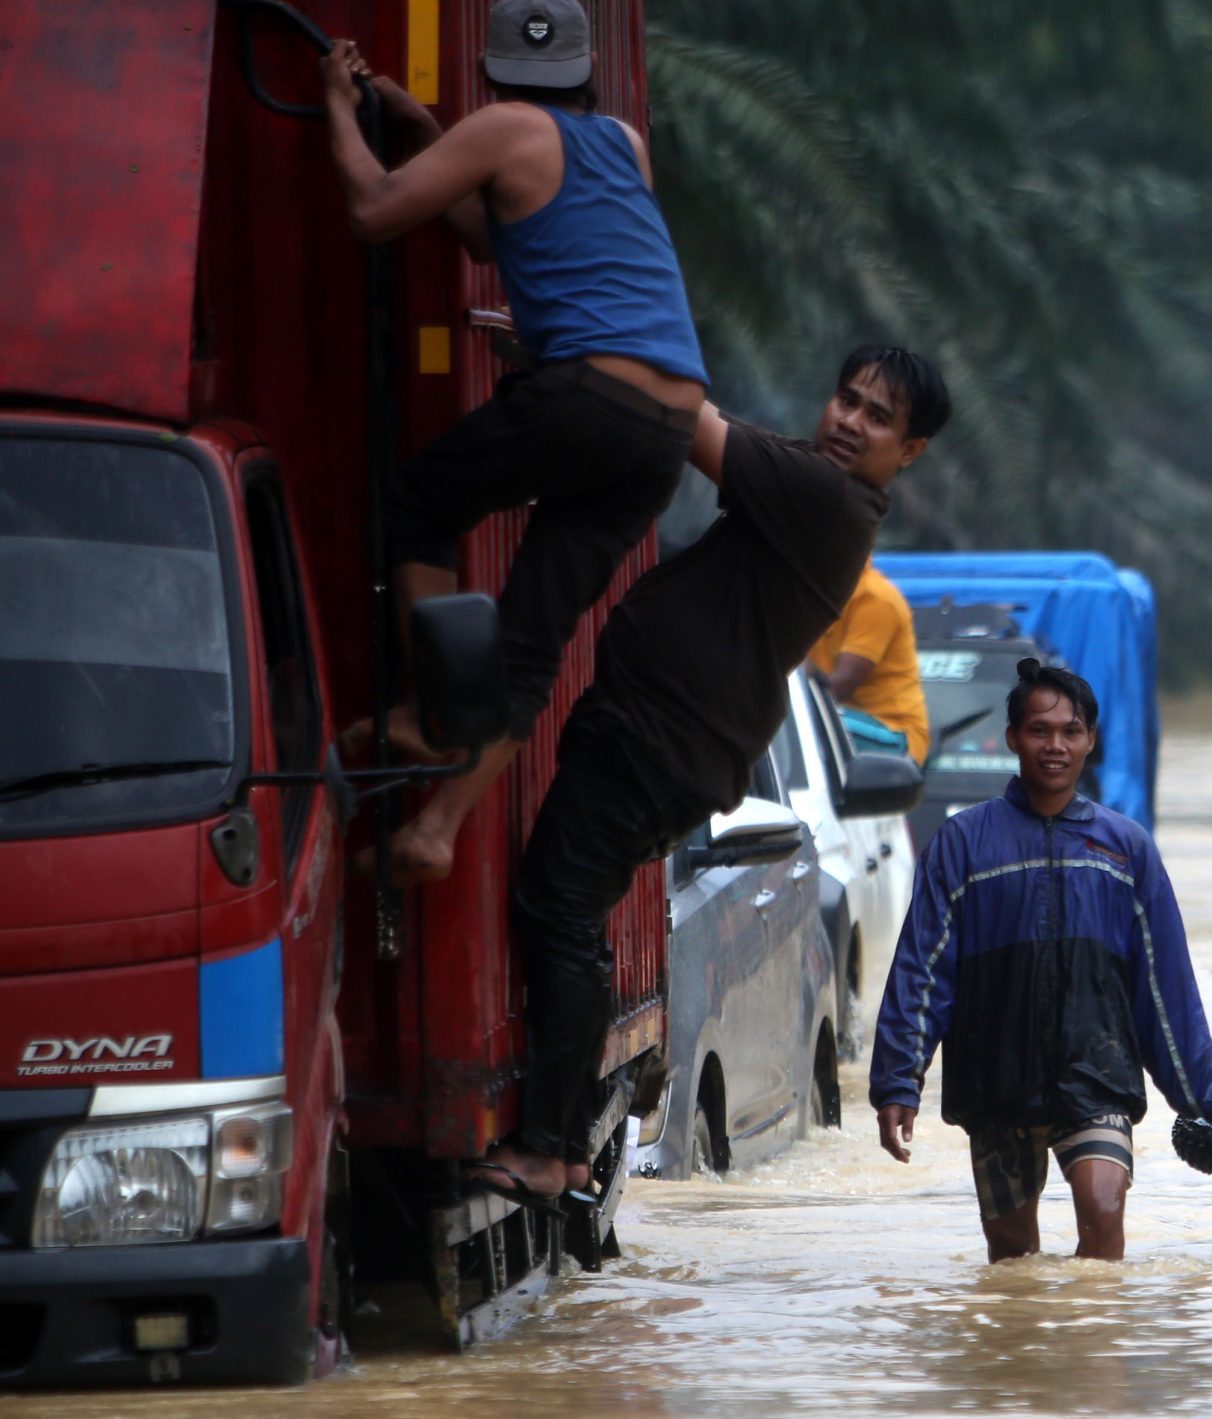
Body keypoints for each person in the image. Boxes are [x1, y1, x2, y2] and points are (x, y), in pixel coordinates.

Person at [464, 347, 948, 1212]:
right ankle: (566, 1145)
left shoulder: (825, 495)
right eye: (847, 399)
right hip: (659, 738)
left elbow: (681, 420)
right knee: (569, 912)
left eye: (878, 417)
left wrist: (613, 337)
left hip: (656, 742)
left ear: (908, 451)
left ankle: (548, 1147)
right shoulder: (813, 489)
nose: (851, 421)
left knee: (556, 907)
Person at [321, 6, 710, 884]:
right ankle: (436, 830)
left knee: (419, 501)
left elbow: (375, 212)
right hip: (668, 422)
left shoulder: (500, 126)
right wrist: (424, 130)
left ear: (494, 75)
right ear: (584, 74)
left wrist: (339, 111)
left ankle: (425, 707)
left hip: (589, 394)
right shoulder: (622, 141)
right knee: (533, 641)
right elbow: (496, 235)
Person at [871, 661, 1212, 1261]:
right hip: (997, 1085)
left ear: (1090, 741)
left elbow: (1164, 985)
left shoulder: (1125, 849)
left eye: (1071, 731)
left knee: (1103, 1211)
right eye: (1040, 731)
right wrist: (898, 1081)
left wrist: (1208, 1096)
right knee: (1013, 1261)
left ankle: (1090, 1346)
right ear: (1013, 737)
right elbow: (922, 971)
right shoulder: (962, 844)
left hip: (1096, 1077)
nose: (1056, 746)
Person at [808, 559, 930, 762]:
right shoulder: (817, 596)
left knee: (797, 725)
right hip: (841, 715)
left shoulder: (876, 597)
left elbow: (844, 683)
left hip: (894, 732)